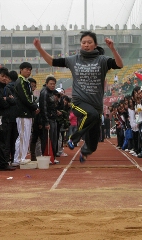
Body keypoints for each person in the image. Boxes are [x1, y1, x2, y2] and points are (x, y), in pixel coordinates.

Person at [33, 31, 123, 162]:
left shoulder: (102, 60)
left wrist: (113, 49)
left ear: (95, 45)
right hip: (79, 101)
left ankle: (86, 151)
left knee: (94, 139)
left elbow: (120, 65)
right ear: (80, 44)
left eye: (89, 42)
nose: (86, 45)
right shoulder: (73, 60)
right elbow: (52, 61)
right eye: (84, 43)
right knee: (90, 114)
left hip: (96, 104)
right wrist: (39, 48)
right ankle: (73, 139)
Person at [12, 62, 40, 166]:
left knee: (26, 136)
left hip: (27, 113)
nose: (28, 71)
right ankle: (18, 158)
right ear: (21, 70)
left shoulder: (26, 82)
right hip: (22, 112)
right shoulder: (21, 82)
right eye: (26, 69)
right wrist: (34, 107)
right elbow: (25, 98)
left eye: (30, 70)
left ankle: (22, 157)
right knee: (23, 135)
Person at [0, 67, 16, 171]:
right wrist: (8, 100)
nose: (4, 78)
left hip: (6, 118)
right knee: (0, 142)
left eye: (6, 76)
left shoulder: (7, 88)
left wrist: (8, 99)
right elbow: (2, 103)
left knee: (3, 141)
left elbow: (14, 101)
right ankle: (2, 163)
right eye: (2, 76)